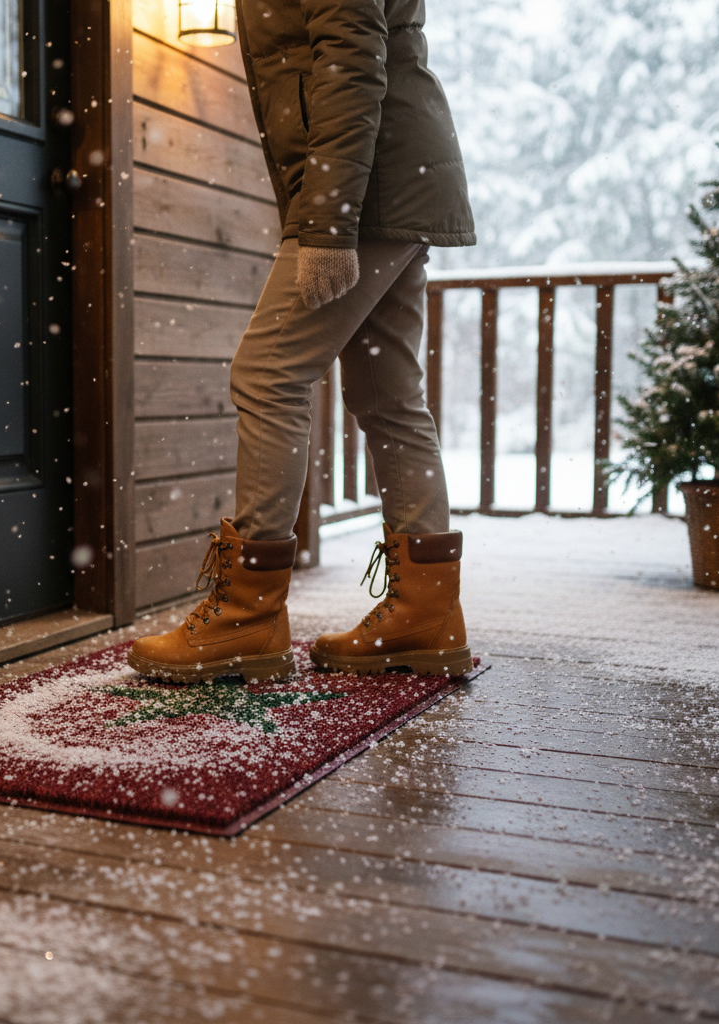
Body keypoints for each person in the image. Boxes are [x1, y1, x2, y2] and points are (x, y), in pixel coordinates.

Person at [128, 0, 475, 683]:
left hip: (371, 188)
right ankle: (425, 617)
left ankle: (247, 618)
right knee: (389, 397)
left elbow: (349, 61)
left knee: (267, 374)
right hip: (397, 178)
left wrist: (327, 224)